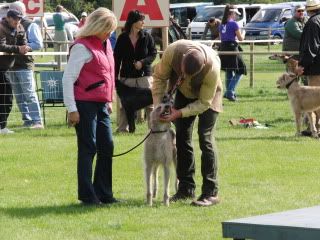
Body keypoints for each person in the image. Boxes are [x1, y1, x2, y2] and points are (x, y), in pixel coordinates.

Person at [152, 39, 223, 207]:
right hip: (183, 93)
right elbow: (160, 77)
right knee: (182, 136)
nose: (184, 77)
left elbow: (204, 102)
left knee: (205, 139)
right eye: (182, 73)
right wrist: (158, 107)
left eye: (189, 76)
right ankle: (186, 188)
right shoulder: (172, 51)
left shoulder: (212, 69)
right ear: (182, 58)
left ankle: (210, 193)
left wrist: (180, 112)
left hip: (208, 96)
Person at [62, 7, 118, 205]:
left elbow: (108, 74)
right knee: (88, 148)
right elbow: (68, 79)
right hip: (84, 104)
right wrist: (72, 109)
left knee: (107, 145)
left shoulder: (105, 45)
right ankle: (87, 195)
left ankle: (104, 193)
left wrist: (109, 100)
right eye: (107, 29)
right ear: (98, 27)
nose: (110, 34)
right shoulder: (82, 47)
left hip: (101, 103)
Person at [114, 10, 157, 133]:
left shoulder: (147, 37)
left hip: (145, 76)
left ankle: (153, 129)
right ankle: (123, 129)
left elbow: (153, 54)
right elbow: (116, 59)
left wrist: (142, 62)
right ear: (133, 22)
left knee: (150, 105)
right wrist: (114, 77)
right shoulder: (122, 38)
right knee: (124, 105)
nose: (144, 22)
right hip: (127, 77)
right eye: (141, 20)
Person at [7, 1, 43, 129]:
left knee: (29, 94)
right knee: (18, 96)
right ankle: (27, 121)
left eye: (11, 9)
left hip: (24, 64)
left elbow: (38, 44)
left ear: (19, 11)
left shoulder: (30, 25)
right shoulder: (6, 25)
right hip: (11, 65)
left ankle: (37, 122)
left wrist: (24, 48)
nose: (8, 12)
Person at [0, 9, 30, 134]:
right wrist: (18, 49)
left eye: (19, 18)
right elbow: (1, 46)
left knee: (7, 98)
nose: (18, 21)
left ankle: (2, 126)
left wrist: (25, 47)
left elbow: (23, 42)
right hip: (1, 68)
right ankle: (2, 127)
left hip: (8, 67)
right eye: (15, 18)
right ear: (8, 17)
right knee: (6, 97)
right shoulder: (1, 28)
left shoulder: (20, 27)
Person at [296, 0, 320, 136]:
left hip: (316, 67)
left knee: (315, 99)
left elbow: (311, 47)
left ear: (309, 10)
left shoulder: (312, 23)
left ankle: (316, 129)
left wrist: (302, 65)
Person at [219, 4, 246, 102]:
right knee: (241, 70)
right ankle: (229, 92)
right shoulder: (234, 24)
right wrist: (243, 33)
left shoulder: (221, 24)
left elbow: (221, 37)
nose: (236, 16)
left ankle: (229, 93)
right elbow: (241, 39)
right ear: (232, 13)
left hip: (223, 48)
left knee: (229, 71)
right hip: (232, 48)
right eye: (236, 14)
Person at [283, 4, 308, 75]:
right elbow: (300, 35)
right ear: (294, 12)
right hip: (292, 54)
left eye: (302, 10)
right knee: (292, 76)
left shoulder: (305, 20)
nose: (301, 12)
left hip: (301, 53)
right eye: (299, 11)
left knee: (304, 75)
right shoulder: (291, 22)